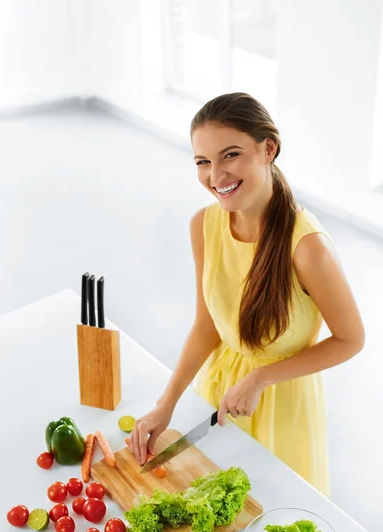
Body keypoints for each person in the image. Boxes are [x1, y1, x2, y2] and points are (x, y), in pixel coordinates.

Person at [130, 92, 365, 496]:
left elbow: (351, 340)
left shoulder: (309, 248)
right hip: (218, 391)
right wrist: (166, 403)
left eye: (230, 155)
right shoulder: (203, 226)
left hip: (280, 404)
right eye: (202, 162)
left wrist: (261, 377)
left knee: (270, 523)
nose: (215, 176)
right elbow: (207, 325)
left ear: (268, 149)